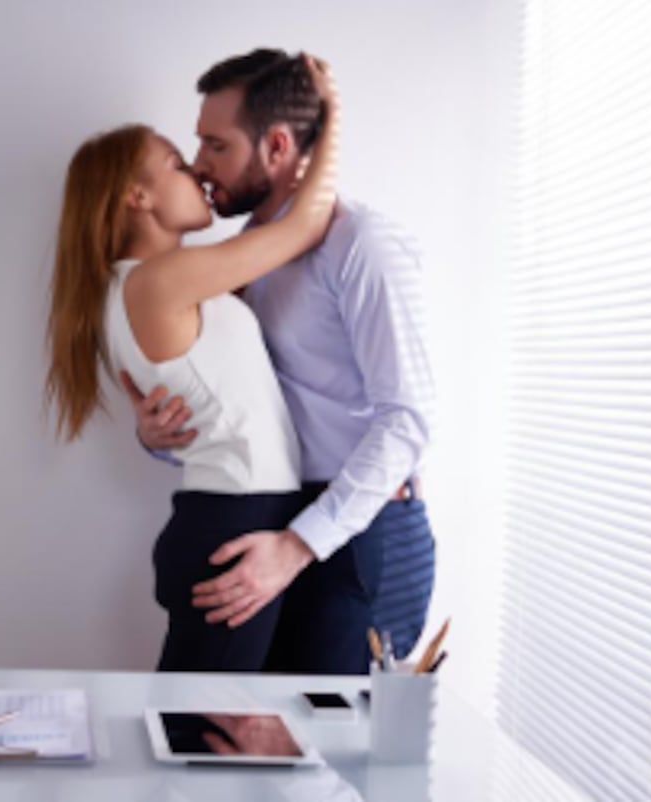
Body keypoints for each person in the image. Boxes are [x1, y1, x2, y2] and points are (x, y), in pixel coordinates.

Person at [124, 48, 437, 675]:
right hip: (277, 517)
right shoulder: (246, 258)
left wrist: (298, 546)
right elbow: (245, 407)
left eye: (216, 145)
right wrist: (159, 436)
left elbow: (407, 420)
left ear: (276, 146)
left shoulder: (361, 244)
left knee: (331, 732)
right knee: (253, 727)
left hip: (359, 530)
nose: (199, 163)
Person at [44, 55, 340, 671]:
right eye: (178, 165)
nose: (198, 172)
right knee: (201, 719)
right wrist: (329, 116)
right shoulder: (159, 283)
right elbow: (306, 225)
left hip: (230, 516)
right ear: (137, 196)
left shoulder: (150, 284)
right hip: (236, 519)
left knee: (209, 714)